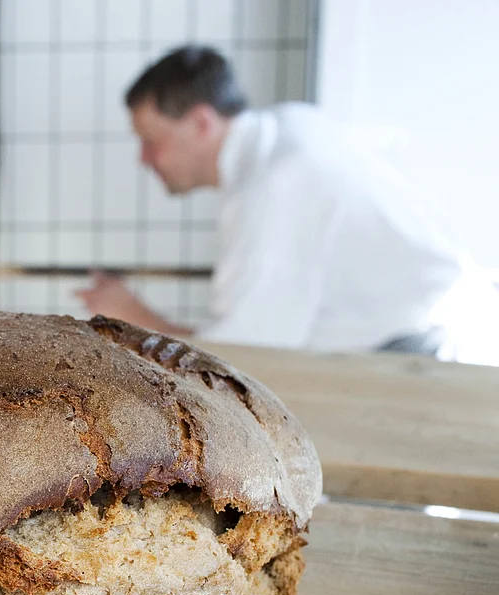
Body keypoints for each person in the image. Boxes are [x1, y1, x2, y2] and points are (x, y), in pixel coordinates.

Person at [77, 45, 499, 365]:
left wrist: (131, 315)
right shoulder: (289, 129)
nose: (144, 159)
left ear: (202, 123)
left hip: (415, 360)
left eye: (152, 141)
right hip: (416, 339)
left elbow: (241, 358)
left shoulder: (277, 186)